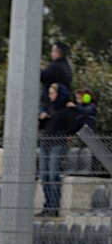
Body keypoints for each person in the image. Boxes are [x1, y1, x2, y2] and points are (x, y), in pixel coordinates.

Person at [38, 83, 78, 217]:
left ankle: (54, 206)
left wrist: (62, 135)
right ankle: (47, 205)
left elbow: (74, 127)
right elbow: (43, 126)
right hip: (46, 144)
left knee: (53, 175)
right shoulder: (50, 108)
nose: (50, 96)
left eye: (52, 93)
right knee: (44, 176)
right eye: (49, 93)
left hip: (58, 144)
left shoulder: (67, 109)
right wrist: (42, 118)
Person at [40, 42, 72, 114]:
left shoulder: (55, 66)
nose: (51, 54)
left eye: (53, 51)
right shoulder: (67, 66)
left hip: (50, 105)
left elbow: (43, 76)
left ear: (58, 52)